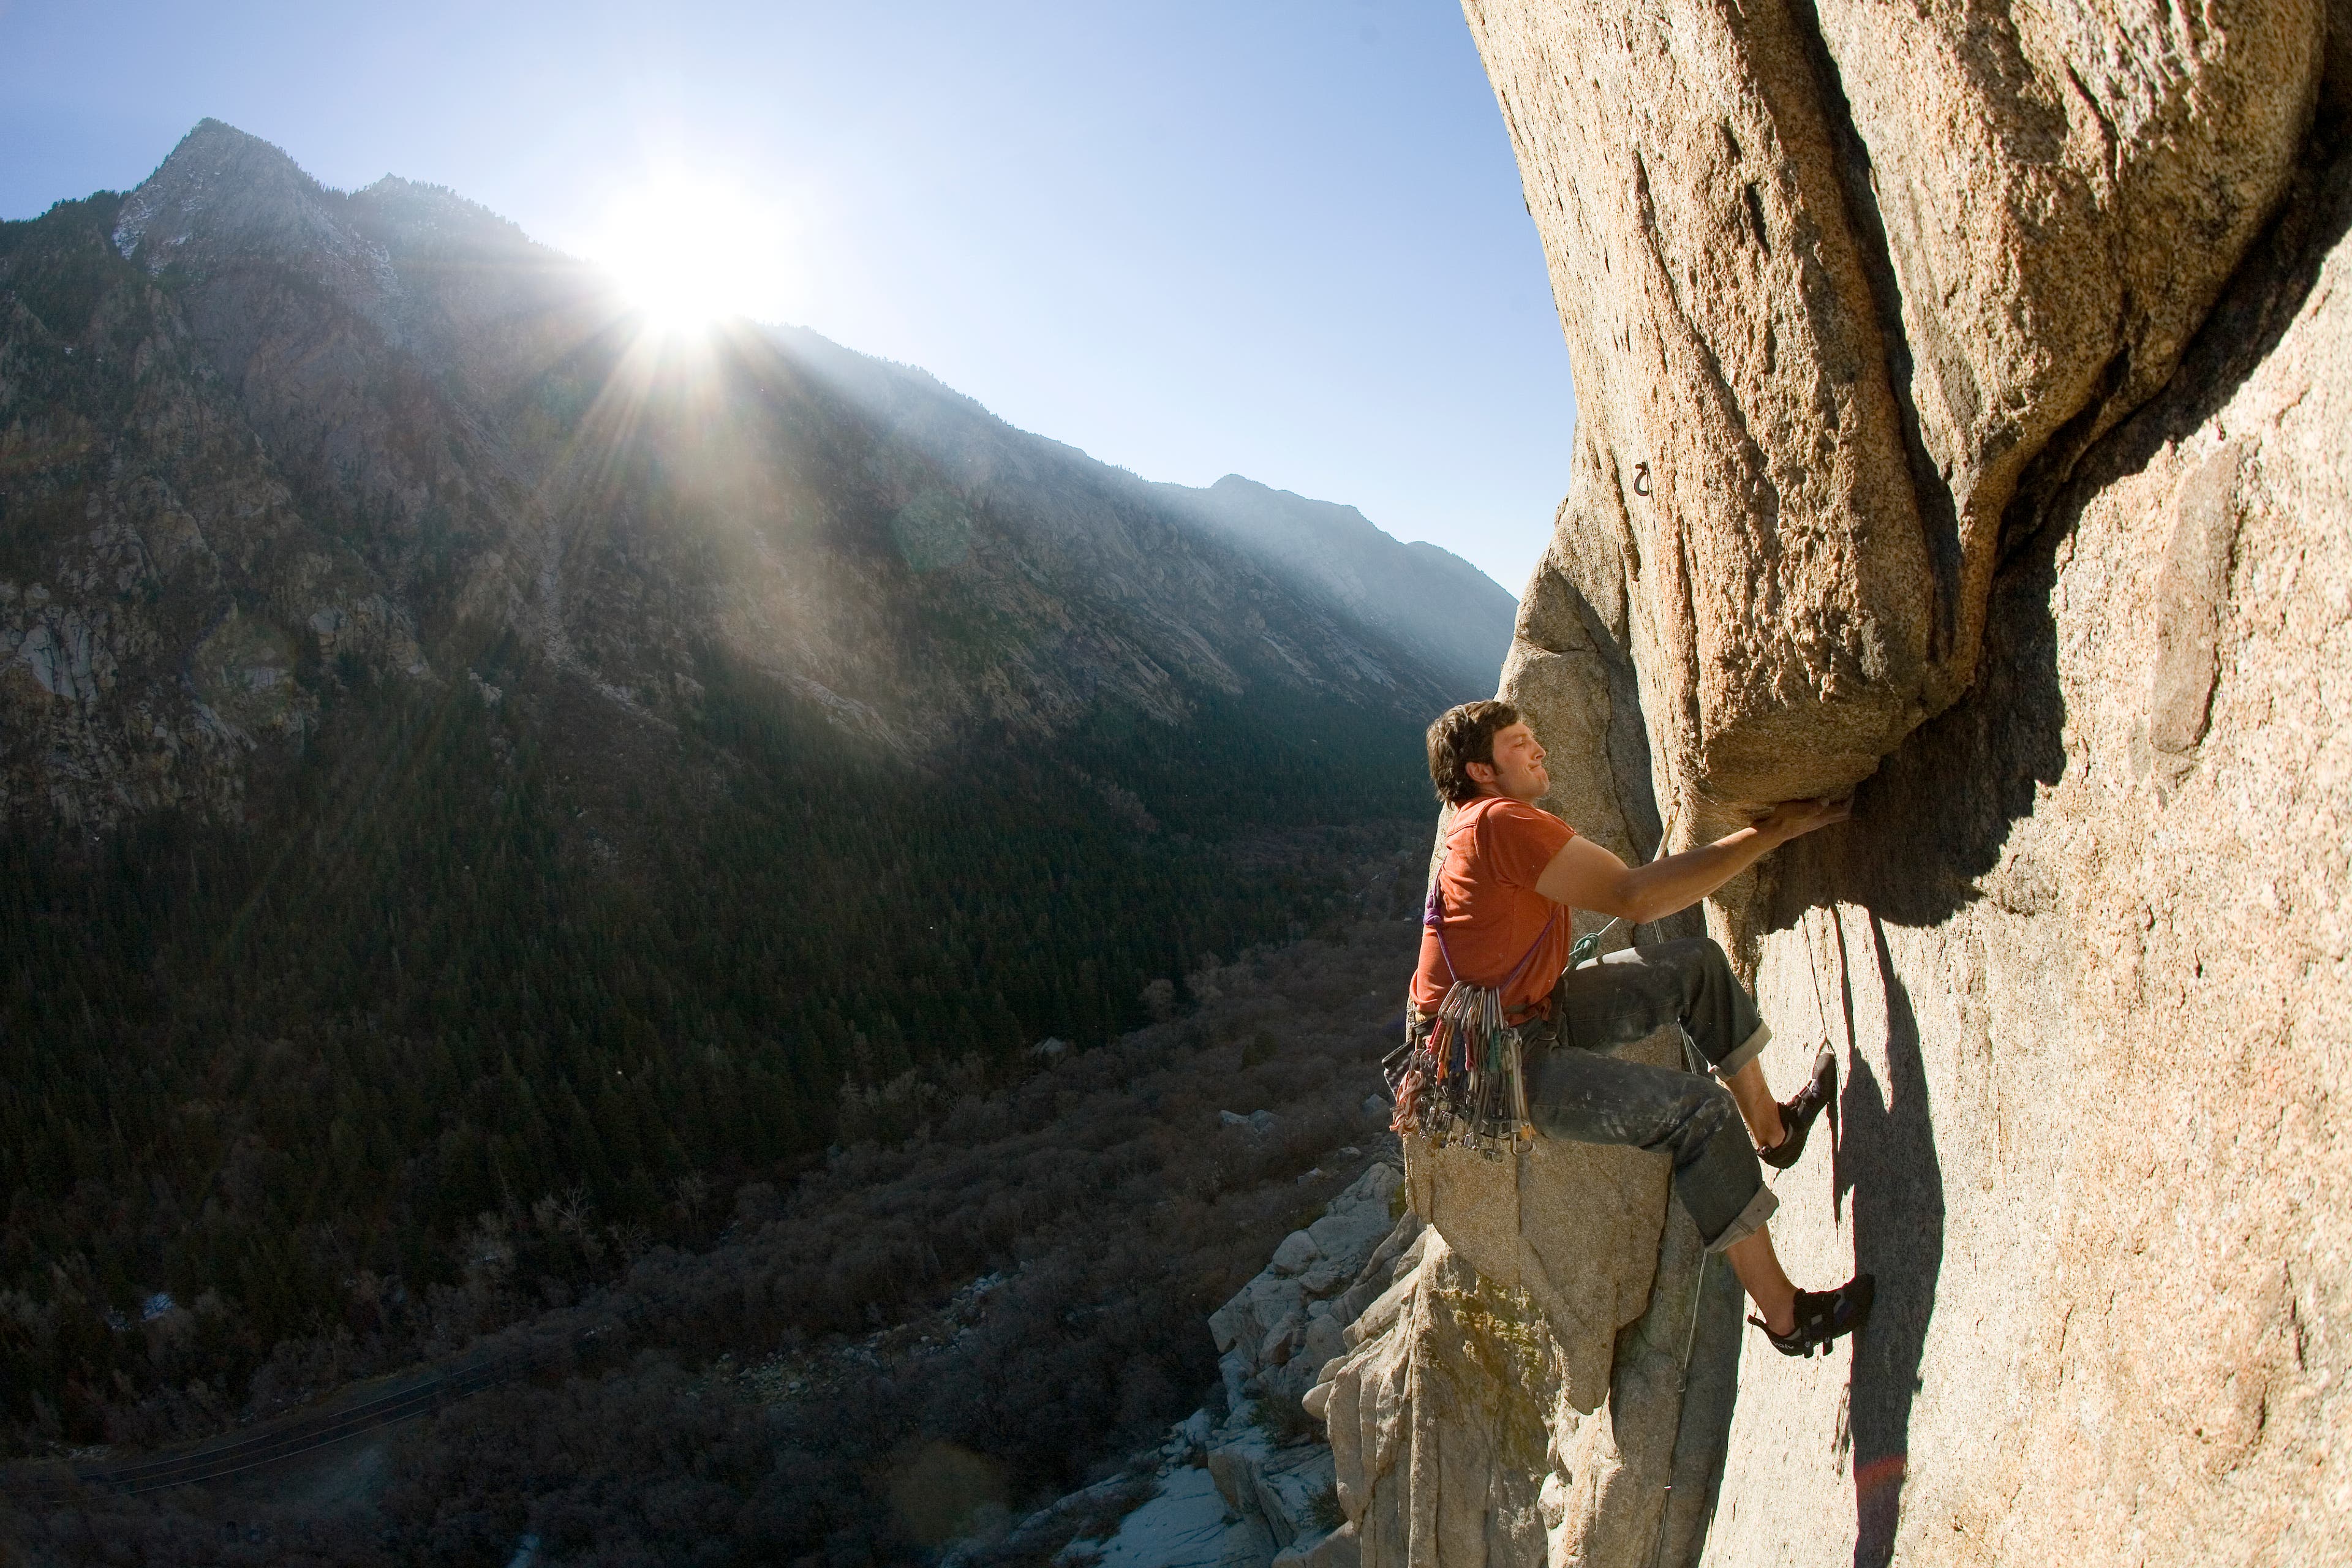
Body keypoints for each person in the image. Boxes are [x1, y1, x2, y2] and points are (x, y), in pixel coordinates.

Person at [1407, 699, 1872, 1357]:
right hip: (1499, 1063)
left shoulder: (1481, 825)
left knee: (1695, 968)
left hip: (1525, 1014)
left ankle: (1776, 1133)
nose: (1539, 749)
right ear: (1482, 770)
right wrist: (1771, 833)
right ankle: (1790, 1321)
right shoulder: (1497, 823)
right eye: (1519, 742)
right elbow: (1636, 896)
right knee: (1700, 1115)